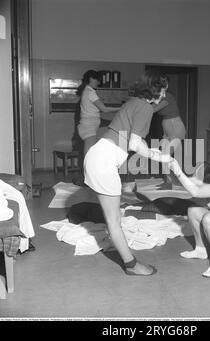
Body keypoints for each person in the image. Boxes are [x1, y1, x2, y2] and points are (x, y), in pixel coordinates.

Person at [84, 69, 171, 276]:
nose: (165, 95)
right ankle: (132, 265)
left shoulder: (133, 102)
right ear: (155, 90)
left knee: (114, 218)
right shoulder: (145, 108)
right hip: (103, 161)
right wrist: (160, 157)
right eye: (164, 91)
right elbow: (134, 143)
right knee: (114, 220)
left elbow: (130, 141)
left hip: (98, 156)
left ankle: (122, 248)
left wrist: (149, 150)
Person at [76, 70, 119, 156]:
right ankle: (88, 169)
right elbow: (104, 109)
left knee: (90, 154)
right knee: (90, 155)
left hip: (88, 126)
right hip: (88, 127)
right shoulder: (90, 92)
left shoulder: (87, 90)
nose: (98, 83)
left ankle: (89, 169)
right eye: (97, 80)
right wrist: (122, 108)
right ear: (91, 79)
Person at [152, 91, 186, 187]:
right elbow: (151, 108)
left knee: (166, 155)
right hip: (166, 128)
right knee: (163, 156)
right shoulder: (156, 98)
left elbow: (153, 109)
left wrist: (137, 108)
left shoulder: (168, 96)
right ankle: (169, 181)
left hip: (175, 127)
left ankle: (175, 181)